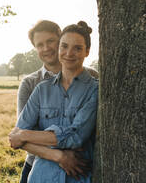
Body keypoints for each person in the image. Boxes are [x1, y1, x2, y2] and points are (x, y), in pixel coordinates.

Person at [10, 21, 98, 183]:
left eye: (50, 41)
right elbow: (17, 137)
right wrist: (60, 156)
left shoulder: (93, 81)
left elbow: (77, 135)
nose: (46, 48)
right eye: (40, 45)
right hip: (39, 167)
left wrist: (23, 135)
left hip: (79, 171)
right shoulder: (34, 85)